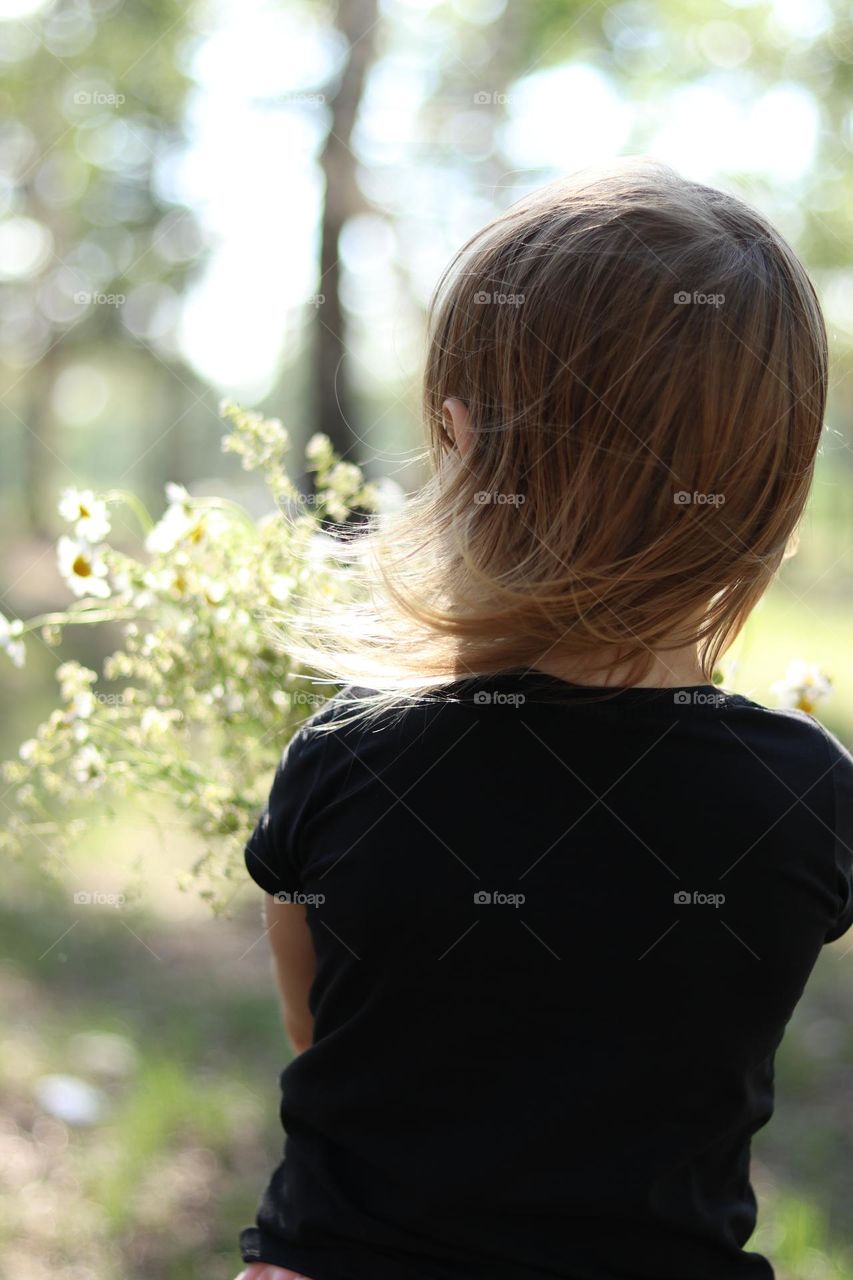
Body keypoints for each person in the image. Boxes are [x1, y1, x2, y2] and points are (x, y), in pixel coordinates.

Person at [235, 159, 853, 1280]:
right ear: (773, 483)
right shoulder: (807, 795)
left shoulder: (349, 759)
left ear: (461, 439)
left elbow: (319, 1033)